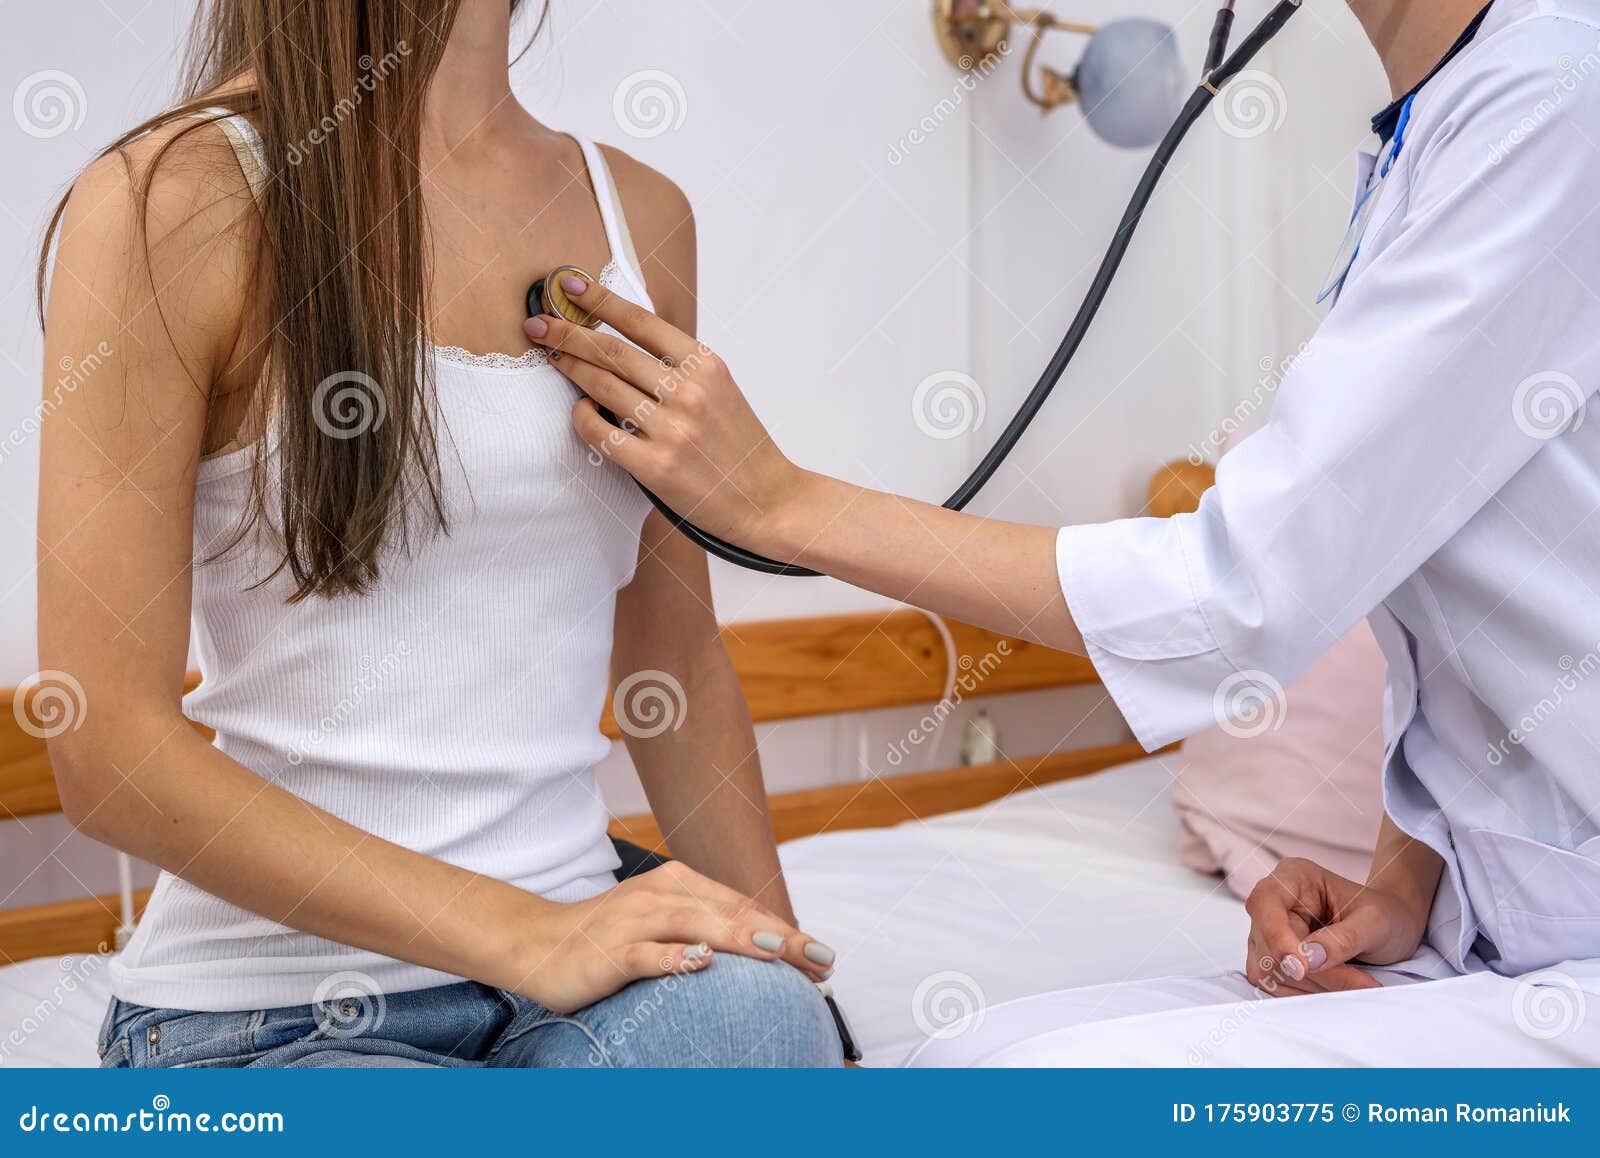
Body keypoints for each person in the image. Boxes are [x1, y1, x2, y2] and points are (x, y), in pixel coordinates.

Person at [525, 0, 1600, 1063]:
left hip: (1567, 961)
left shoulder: (1554, 96)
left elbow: (1239, 592)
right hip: (1491, 935)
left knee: (1004, 1087)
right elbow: (1451, 584)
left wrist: (779, 504)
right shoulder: (1442, 122)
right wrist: (1409, 880)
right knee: (961, 1058)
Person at [38, 0, 839, 1068]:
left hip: (590, 989)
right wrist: (526, 934)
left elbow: (675, 660)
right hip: (271, 1014)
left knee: (761, 1025)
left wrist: (784, 977)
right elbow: (109, 749)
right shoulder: (174, 197)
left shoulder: (640, 216)